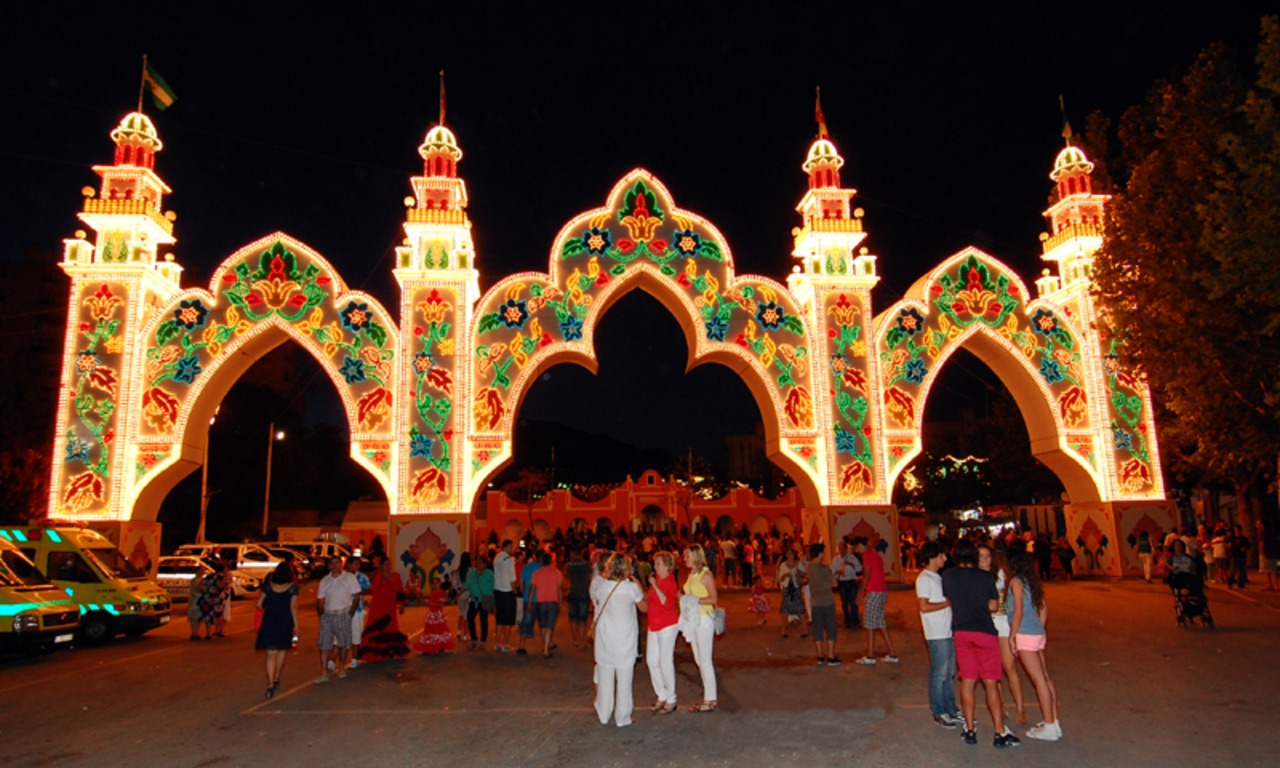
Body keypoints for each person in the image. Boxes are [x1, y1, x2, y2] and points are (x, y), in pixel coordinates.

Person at [943, 539, 1018, 748]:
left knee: (967, 680)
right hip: (984, 631)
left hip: (961, 631)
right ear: (974, 556)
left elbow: (951, 599)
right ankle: (999, 732)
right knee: (990, 682)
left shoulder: (948, 577)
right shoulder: (986, 577)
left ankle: (969, 729)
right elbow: (994, 606)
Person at [1007, 548, 1060, 742]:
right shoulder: (1033, 581)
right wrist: (1040, 627)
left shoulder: (1016, 582)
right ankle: (1053, 721)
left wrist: (1013, 636)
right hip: (1037, 632)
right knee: (1045, 678)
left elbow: (1018, 612)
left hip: (1025, 634)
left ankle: (1049, 726)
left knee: (1038, 680)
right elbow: (1043, 607)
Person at [590, 553, 648, 727]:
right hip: (624, 639)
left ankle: (604, 713)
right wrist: (636, 581)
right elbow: (644, 608)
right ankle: (623, 717)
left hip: (604, 638)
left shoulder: (601, 586)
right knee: (624, 680)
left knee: (605, 676)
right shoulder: (631, 588)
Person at [978, 544, 1027, 725]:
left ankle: (1020, 707)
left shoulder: (1000, 575)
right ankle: (1001, 706)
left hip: (1003, 623)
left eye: (987, 556)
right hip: (986, 625)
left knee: (1009, 666)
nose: (984, 559)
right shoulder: (974, 577)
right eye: (981, 556)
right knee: (994, 669)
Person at [916, 541, 961, 728]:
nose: (945, 558)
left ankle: (951, 708)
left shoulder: (937, 577)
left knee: (949, 673)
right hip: (936, 633)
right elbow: (924, 607)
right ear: (932, 556)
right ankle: (939, 711)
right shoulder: (924, 579)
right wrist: (948, 603)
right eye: (942, 555)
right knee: (939, 673)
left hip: (947, 630)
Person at [682, 544, 719, 712]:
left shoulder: (706, 575)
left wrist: (693, 600)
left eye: (687, 556)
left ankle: (710, 699)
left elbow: (713, 599)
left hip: (704, 619)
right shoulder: (692, 574)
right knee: (699, 659)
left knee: (704, 660)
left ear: (696, 557)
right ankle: (708, 695)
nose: (685, 558)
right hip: (694, 619)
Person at [255, 562, 299, 698]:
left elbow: (259, 604)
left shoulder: (268, 586)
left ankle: (269, 684)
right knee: (281, 650)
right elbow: (293, 606)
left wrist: (267, 609)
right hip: (285, 620)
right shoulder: (293, 588)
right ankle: (276, 678)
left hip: (270, 620)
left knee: (270, 653)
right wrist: (296, 625)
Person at [315, 555, 361, 683]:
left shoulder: (349, 578)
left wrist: (350, 613)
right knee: (324, 644)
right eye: (332, 563)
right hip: (328, 614)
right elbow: (319, 599)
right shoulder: (325, 580)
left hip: (343, 613)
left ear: (341, 564)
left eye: (337, 563)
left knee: (343, 643)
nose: (334, 566)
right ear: (329, 566)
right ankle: (324, 672)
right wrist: (321, 615)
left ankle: (341, 667)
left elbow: (357, 595)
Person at [645, 550, 680, 715]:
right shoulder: (658, 580)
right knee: (652, 661)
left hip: (667, 625)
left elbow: (666, 602)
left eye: (658, 564)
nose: (655, 567)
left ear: (667, 566)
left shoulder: (670, 582)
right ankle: (661, 694)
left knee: (665, 662)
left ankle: (671, 698)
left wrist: (655, 586)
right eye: (655, 564)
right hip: (653, 625)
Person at [854, 536, 897, 665]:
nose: (857, 550)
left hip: (874, 590)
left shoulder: (867, 555)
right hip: (881, 590)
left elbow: (866, 575)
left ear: (862, 545)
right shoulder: (874, 554)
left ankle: (870, 655)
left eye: (857, 547)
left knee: (870, 624)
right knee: (880, 623)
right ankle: (892, 653)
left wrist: (860, 594)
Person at [359, 556, 410, 662]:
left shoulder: (395, 576)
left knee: (390, 627)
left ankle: (390, 651)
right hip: (378, 606)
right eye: (386, 564)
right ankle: (375, 653)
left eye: (389, 564)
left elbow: (400, 590)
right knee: (376, 628)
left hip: (390, 606)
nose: (388, 566)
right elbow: (372, 589)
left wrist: (401, 604)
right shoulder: (377, 576)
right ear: (381, 566)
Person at [807, 543, 841, 666]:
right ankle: (831, 655)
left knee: (818, 629)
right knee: (831, 628)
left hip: (815, 602)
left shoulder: (809, 567)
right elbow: (834, 584)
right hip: (827, 601)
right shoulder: (825, 569)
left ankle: (820, 656)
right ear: (820, 553)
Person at [528, 551, 564, 657]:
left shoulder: (536, 573)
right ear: (551, 561)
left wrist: (530, 602)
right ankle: (546, 649)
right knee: (549, 626)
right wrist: (560, 601)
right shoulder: (557, 573)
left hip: (540, 602)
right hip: (553, 602)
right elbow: (559, 589)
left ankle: (545, 646)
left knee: (543, 625)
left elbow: (532, 590)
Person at [413, 574, 457, 654]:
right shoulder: (432, 592)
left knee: (439, 631)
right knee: (430, 632)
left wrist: (430, 602)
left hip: (438, 615)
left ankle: (441, 646)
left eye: (437, 583)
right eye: (433, 583)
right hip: (431, 614)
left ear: (440, 583)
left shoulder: (441, 593)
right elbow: (432, 602)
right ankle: (428, 647)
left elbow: (440, 604)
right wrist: (427, 602)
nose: (435, 585)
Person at [492, 540, 518, 653]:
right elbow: (512, 578)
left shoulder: (496, 558)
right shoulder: (509, 560)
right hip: (507, 591)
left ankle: (497, 643)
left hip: (498, 591)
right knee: (508, 620)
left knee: (499, 619)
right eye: (510, 547)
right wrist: (515, 591)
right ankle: (506, 644)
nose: (512, 549)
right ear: (505, 547)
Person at [565, 548, 593, 650]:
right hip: (584, 593)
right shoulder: (586, 565)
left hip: (573, 592)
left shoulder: (569, 566)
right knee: (582, 619)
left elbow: (567, 578)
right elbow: (590, 578)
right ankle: (581, 639)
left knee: (573, 617)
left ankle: (575, 639)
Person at [463, 556, 494, 649]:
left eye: (480, 562)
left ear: (485, 564)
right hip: (474, 599)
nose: (478, 564)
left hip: (486, 598)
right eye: (477, 562)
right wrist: (457, 594)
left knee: (483, 619)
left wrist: (493, 599)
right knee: (470, 617)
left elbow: (493, 585)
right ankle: (474, 638)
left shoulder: (489, 573)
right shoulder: (473, 573)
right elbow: (467, 584)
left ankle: (483, 640)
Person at [346, 556, 371, 669]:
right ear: (349, 565)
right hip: (343, 608)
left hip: (357, 609)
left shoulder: (362, 577)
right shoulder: (343, 576)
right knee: (342, 635)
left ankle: (354, 658)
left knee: (356, 634)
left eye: (358, 564)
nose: (357, 566)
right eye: (355, 564)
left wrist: (358, 592)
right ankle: (335, 659)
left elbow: (369, 589)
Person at [515, 548, 542, 655]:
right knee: (544, 623)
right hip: (542, 599)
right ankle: (547, 645)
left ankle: (521, 645)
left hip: (528, 599)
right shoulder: (544, 568)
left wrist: (524, 592)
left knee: (525, 622)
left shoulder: (527, 567)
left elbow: (521, 582)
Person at [776, 548, 807, 638]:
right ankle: (783, 631)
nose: (789, 556)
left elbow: (804, 574)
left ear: (794, 555)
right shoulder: (783, 565)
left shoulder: (798, 564)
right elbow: (780, 578)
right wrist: (785, 575)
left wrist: (798, 572)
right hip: (787, 588)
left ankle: (805, 630)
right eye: (787, 554)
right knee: (785, 610)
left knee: (800, 609)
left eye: (791, 554)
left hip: (796, 588)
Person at [832, 540, 862, 628]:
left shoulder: (852, 557)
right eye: (839, 548)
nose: (841, 550)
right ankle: (847, 621)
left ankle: (855, 620)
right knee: (844, 602)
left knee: (853, 602)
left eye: (842, 548)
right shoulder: (836, 559)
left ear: (846, 549)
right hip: (842, 582)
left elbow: (859, 568)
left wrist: (851, 564)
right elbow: (832, 571)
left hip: (851, 581)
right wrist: (837, 572)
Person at [1258, 519, 1279, 592]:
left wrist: (1261, 553)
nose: (1257, 525)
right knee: (1275, 570)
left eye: (1259, 524)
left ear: (1262, 525)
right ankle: (1276, 585)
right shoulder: (1273, 532)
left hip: (1267, 553)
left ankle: (1269, 585)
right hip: (1276, 554)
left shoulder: (1263, 533)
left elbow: (1262, 543)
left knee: (1267, 570)